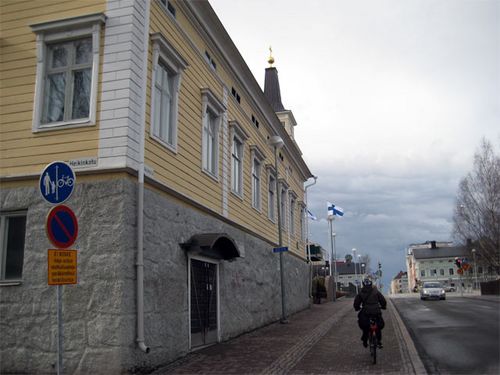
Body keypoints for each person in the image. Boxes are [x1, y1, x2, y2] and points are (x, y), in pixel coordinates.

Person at [353, 278, 387, 348]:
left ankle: (365, 340)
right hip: (376, 311)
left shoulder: (361, 292)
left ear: (363, 284)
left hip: (366, 312)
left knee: (365, 325)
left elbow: (356, 303)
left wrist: (357, 308)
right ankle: (379, 341)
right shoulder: (376, 291)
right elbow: (383, 300)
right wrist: (383, 306)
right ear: (371, 284)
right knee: (378, 325)